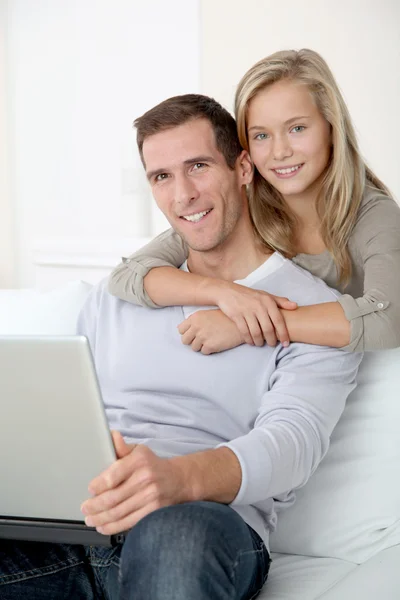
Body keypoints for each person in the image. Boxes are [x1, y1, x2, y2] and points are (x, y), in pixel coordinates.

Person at [0, 94, 362, 600]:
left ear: (242, 168)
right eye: (161, 177)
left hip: (200, 523)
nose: (183, 194)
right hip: (79, 525)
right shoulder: (120, 296)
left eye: (197, 166)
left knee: (175, 539)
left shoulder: (313, 310)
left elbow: (291, 445)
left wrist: (176, 478)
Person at [109, 49, 400, 354]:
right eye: (261, 136)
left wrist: (241, 324)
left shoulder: (375, 216)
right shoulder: (244, 205)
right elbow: (129, 275)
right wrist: (225, 294)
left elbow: (388, 319)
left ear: (331, 127)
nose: (280, 151)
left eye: (297, 128)